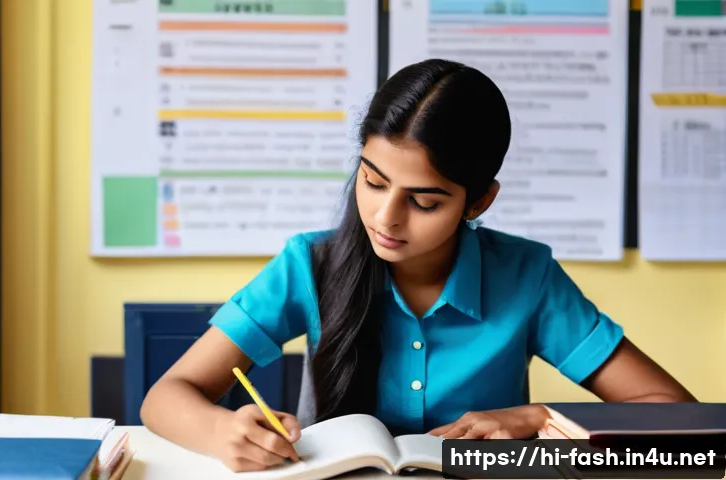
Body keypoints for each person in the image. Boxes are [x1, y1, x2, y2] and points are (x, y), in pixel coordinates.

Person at [139, 58, 696, 473]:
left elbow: (679, 419)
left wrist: (537, 419)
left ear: (478, 202)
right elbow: (166, 397)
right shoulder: (309, 264)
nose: (386, 217)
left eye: (425, 202)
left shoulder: (527, 277)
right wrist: (221, 430)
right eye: (372, 181)